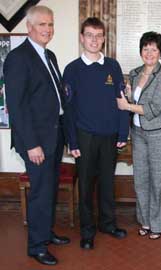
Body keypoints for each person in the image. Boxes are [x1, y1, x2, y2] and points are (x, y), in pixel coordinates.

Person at [3, 5, 70, 266]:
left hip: (53, 137)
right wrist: (31, 144)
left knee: (49, 189)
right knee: (41, 192)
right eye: (42, 24)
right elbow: (17, 107)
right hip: (36, 142)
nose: (48, 29)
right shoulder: (19, 58)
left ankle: (46, 232)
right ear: (29, 27)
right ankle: (36, 246)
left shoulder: (49, 54)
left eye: (51, 24)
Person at [63, 17, 129, 250]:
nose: (94, 40)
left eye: (98, 35)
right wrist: (72, 140)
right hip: (85, 136)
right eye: (89, 35)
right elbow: (68, 110)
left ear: (104, 38)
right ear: (82, 38)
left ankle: (108, 224)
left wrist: (123, 132)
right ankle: (87, 230)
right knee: (86, 186)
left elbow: (122, 101)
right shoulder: (72, 69)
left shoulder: (113, 66)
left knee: (107, 183)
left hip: (110, 135)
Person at [117, 32, 161, 240]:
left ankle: (158, 224)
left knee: (159, 180)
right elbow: (133, 99)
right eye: (146, 48)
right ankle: (145, 221)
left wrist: (128, 105)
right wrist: (129, 94)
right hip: (138, 133)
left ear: (160, 52)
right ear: (140, 51)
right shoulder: (133, 73)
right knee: (140, 179)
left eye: (154, 49)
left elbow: (155, 107)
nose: (149, 53)